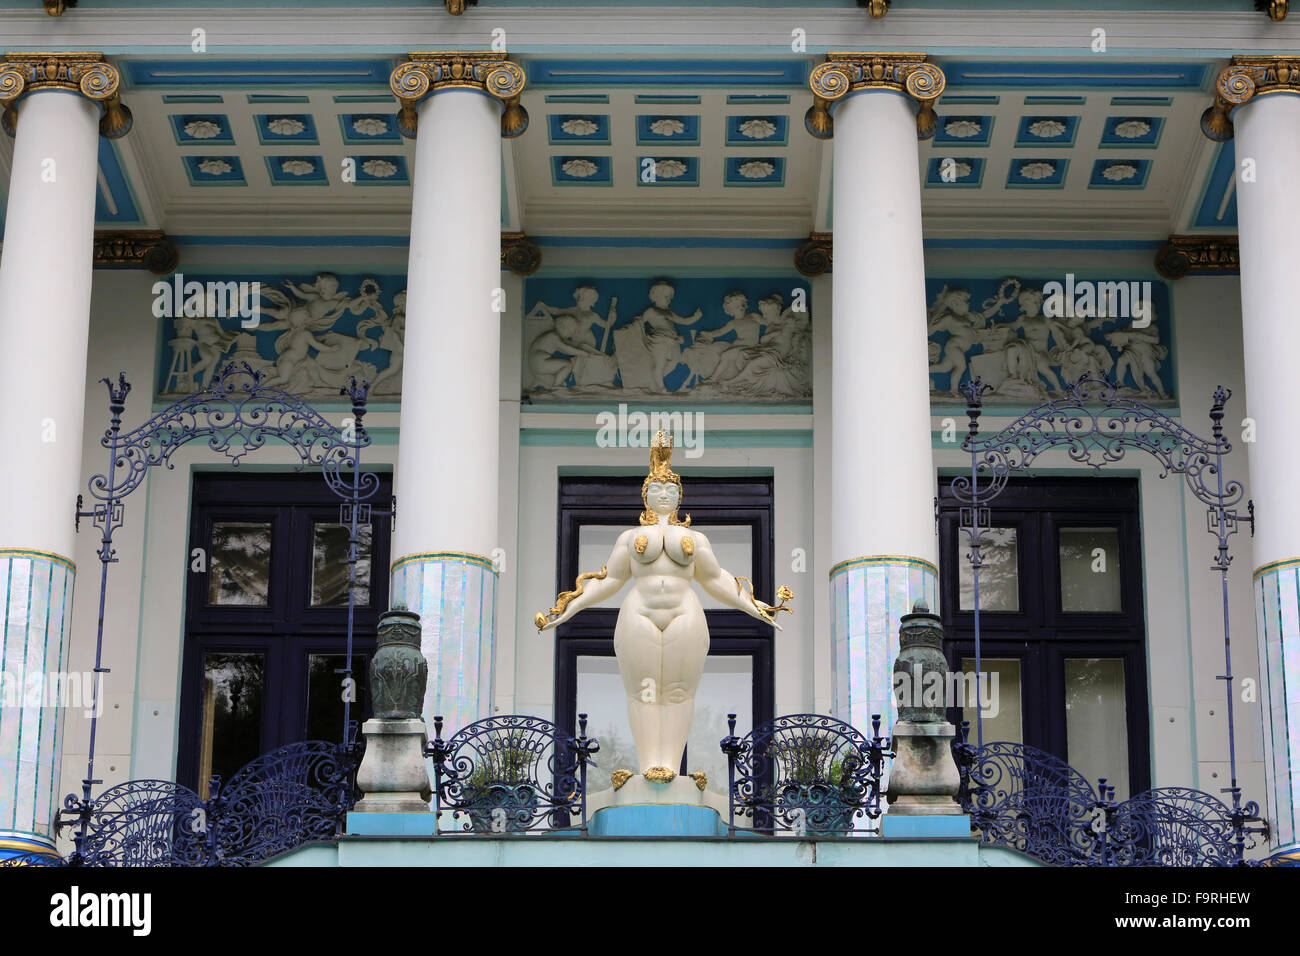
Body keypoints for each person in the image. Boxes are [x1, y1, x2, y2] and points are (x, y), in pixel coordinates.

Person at [536, 432, 791, 784]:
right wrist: (567, 608)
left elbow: (716, 580)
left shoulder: (697, 539)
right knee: (642, 691)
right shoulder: (628, 538)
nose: (664, 494)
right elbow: (609, 580)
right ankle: (647, 766)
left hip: (684, 613)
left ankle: (669, 764)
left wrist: (758, 608)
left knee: (678, 692)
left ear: (679, 496)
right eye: (656, 489)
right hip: (638, 613)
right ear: (645, 495)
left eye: (671, 490)